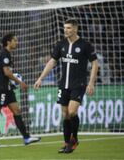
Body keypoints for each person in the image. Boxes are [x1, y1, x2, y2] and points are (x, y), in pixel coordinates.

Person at [34, 19, 98, 153]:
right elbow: (52, 62)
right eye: (65, 28)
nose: (66, 30)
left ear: (75, 29)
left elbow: (95, 64)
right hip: (63, 84)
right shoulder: (61, 44)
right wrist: (40, 78)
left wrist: (91, 82)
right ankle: (67, 143)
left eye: (68, 28)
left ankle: (74, 139)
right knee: (65, 114)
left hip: (78, 84)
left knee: (72, 111)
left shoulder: (85, 45)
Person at [0, 33, 41, 146]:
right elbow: (7, 72)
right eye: (14, 40)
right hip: (1, 88)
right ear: (8, 42)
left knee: (17, 110)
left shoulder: (7, 54)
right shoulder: (5, 54)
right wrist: (20, 82)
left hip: (7, 88)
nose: (17, 42)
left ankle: (26, 138)